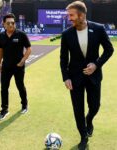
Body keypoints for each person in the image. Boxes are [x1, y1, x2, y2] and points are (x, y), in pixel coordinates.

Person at [60, 1, 114, 150]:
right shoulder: (66, 34)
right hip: (74, 78)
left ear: (81, 15)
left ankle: (89, 120)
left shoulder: (98, 29)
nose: (69, 18)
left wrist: (96, 64)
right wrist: (66, 77)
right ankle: (83, 137)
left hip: (94, 76)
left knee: (95, 106)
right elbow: (63, 59)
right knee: (78, 109)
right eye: (68, 15)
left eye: (71, 15)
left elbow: (109, 50)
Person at [0, 13, 31, 120]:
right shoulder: (1, 36)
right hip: (6, 66)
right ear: (4, 24)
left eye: (13, 23)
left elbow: (29, 49)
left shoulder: (21, 34)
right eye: (8, 23)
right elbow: (0, 50)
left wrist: (22, 61)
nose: (11, 25)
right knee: (4, 88)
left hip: (18, 67)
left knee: (20, 86)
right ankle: (4, 110)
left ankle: (24, 105)